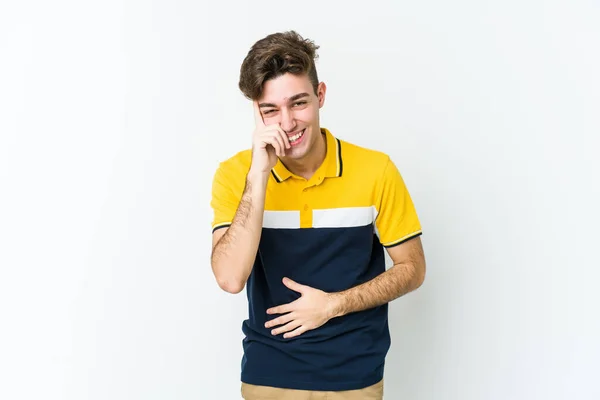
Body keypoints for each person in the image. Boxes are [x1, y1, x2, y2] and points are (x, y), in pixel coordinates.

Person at [210, 30, 426, 400]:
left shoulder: (376, 170)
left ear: (320, 95)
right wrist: (259, 173)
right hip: (269, 374)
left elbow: (413, 269)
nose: (288, 122)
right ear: (257, 114)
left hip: (355, 377)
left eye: (298, 103)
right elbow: (230, 278)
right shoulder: (237, 176)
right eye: (270, 110)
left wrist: (332, 305)